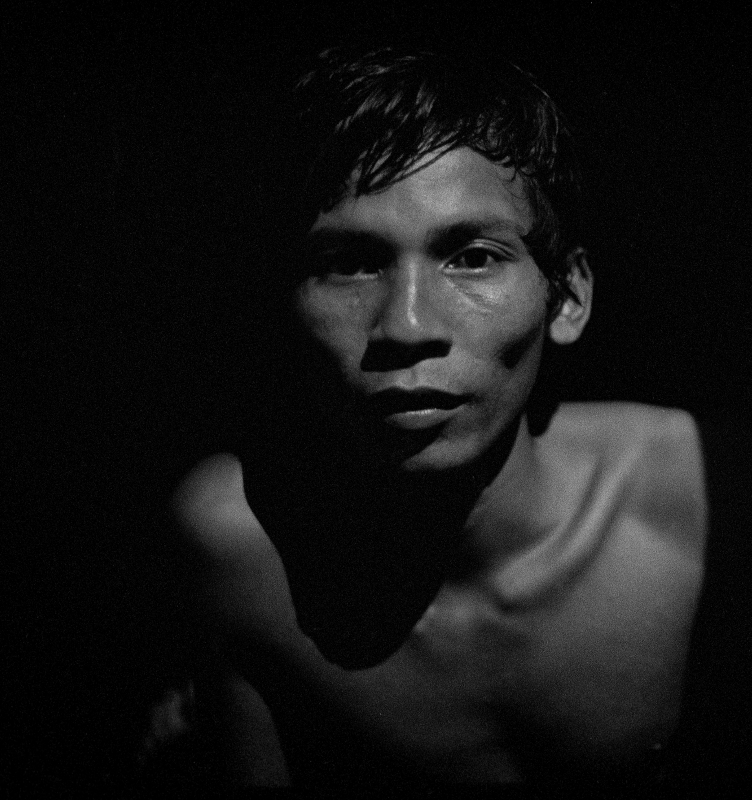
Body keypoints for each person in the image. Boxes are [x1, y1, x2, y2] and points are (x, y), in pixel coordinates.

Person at [165, 45, 708, 789]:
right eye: (352, 262)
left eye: (472, 256)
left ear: (567, 297)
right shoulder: (238, 539)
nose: (407, 324)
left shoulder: (691, 497)